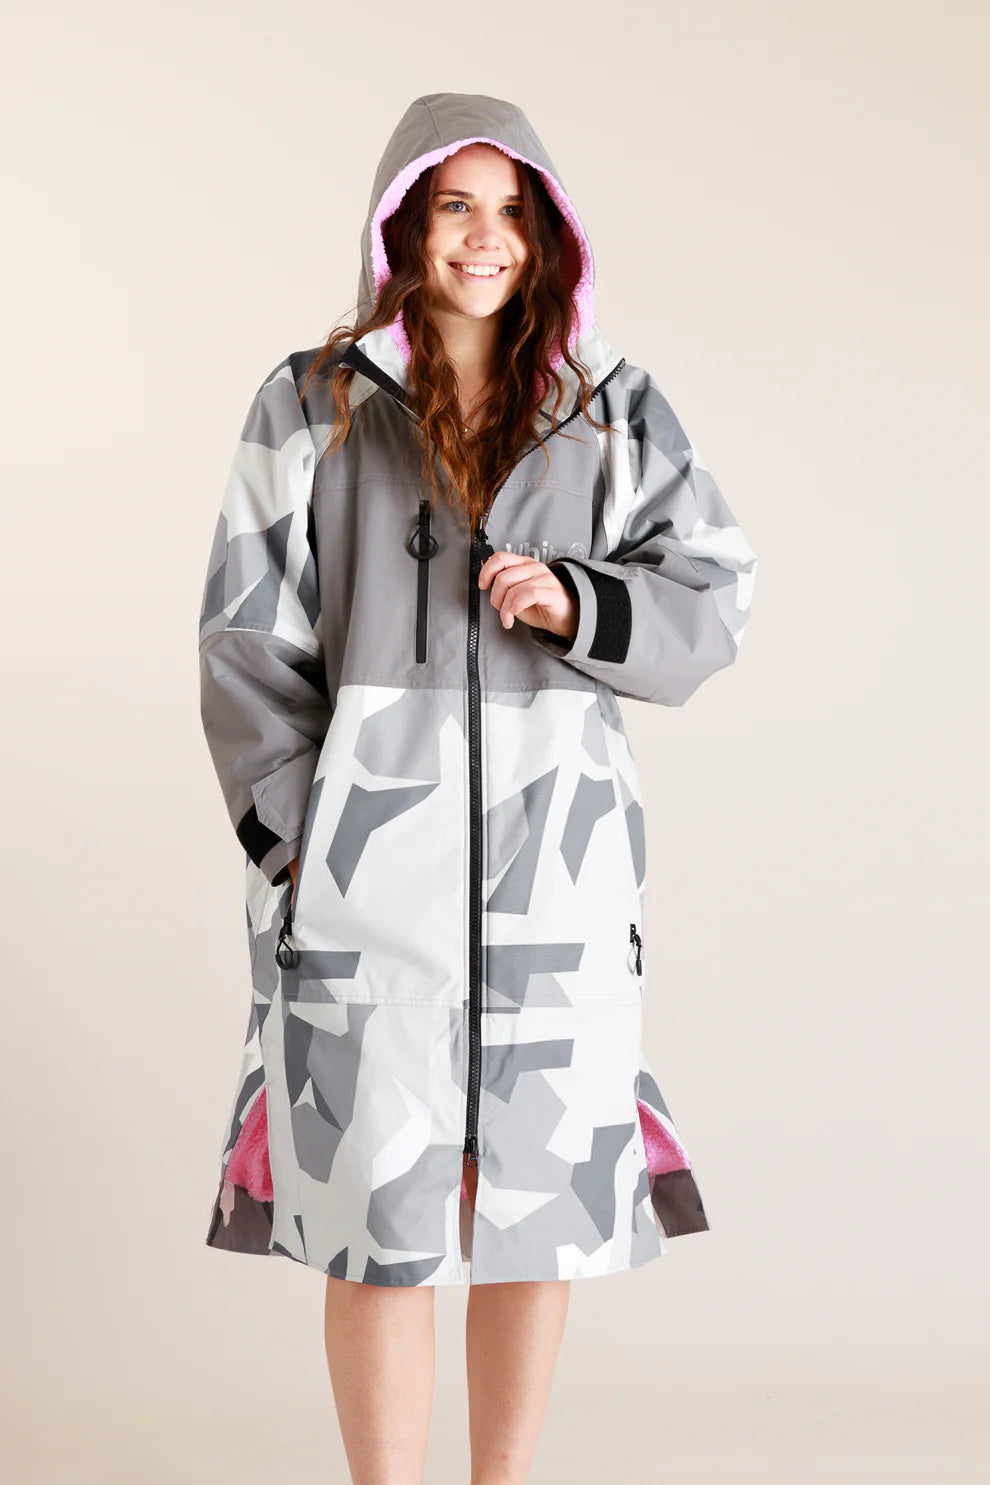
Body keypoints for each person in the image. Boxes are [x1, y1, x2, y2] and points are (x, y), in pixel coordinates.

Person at [197, 91, 757, 1485]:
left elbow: (713, 599)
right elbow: (244, 643)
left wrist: (576, 600)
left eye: (513, 210)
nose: (485, 236)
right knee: (378, 1226)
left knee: (531, 1218)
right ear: (404, 224)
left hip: (555, 885)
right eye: (456, 205)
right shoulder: (311, 402)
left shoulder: (610, 405)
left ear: (549, 234)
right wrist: (303, 851)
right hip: (362, 894)